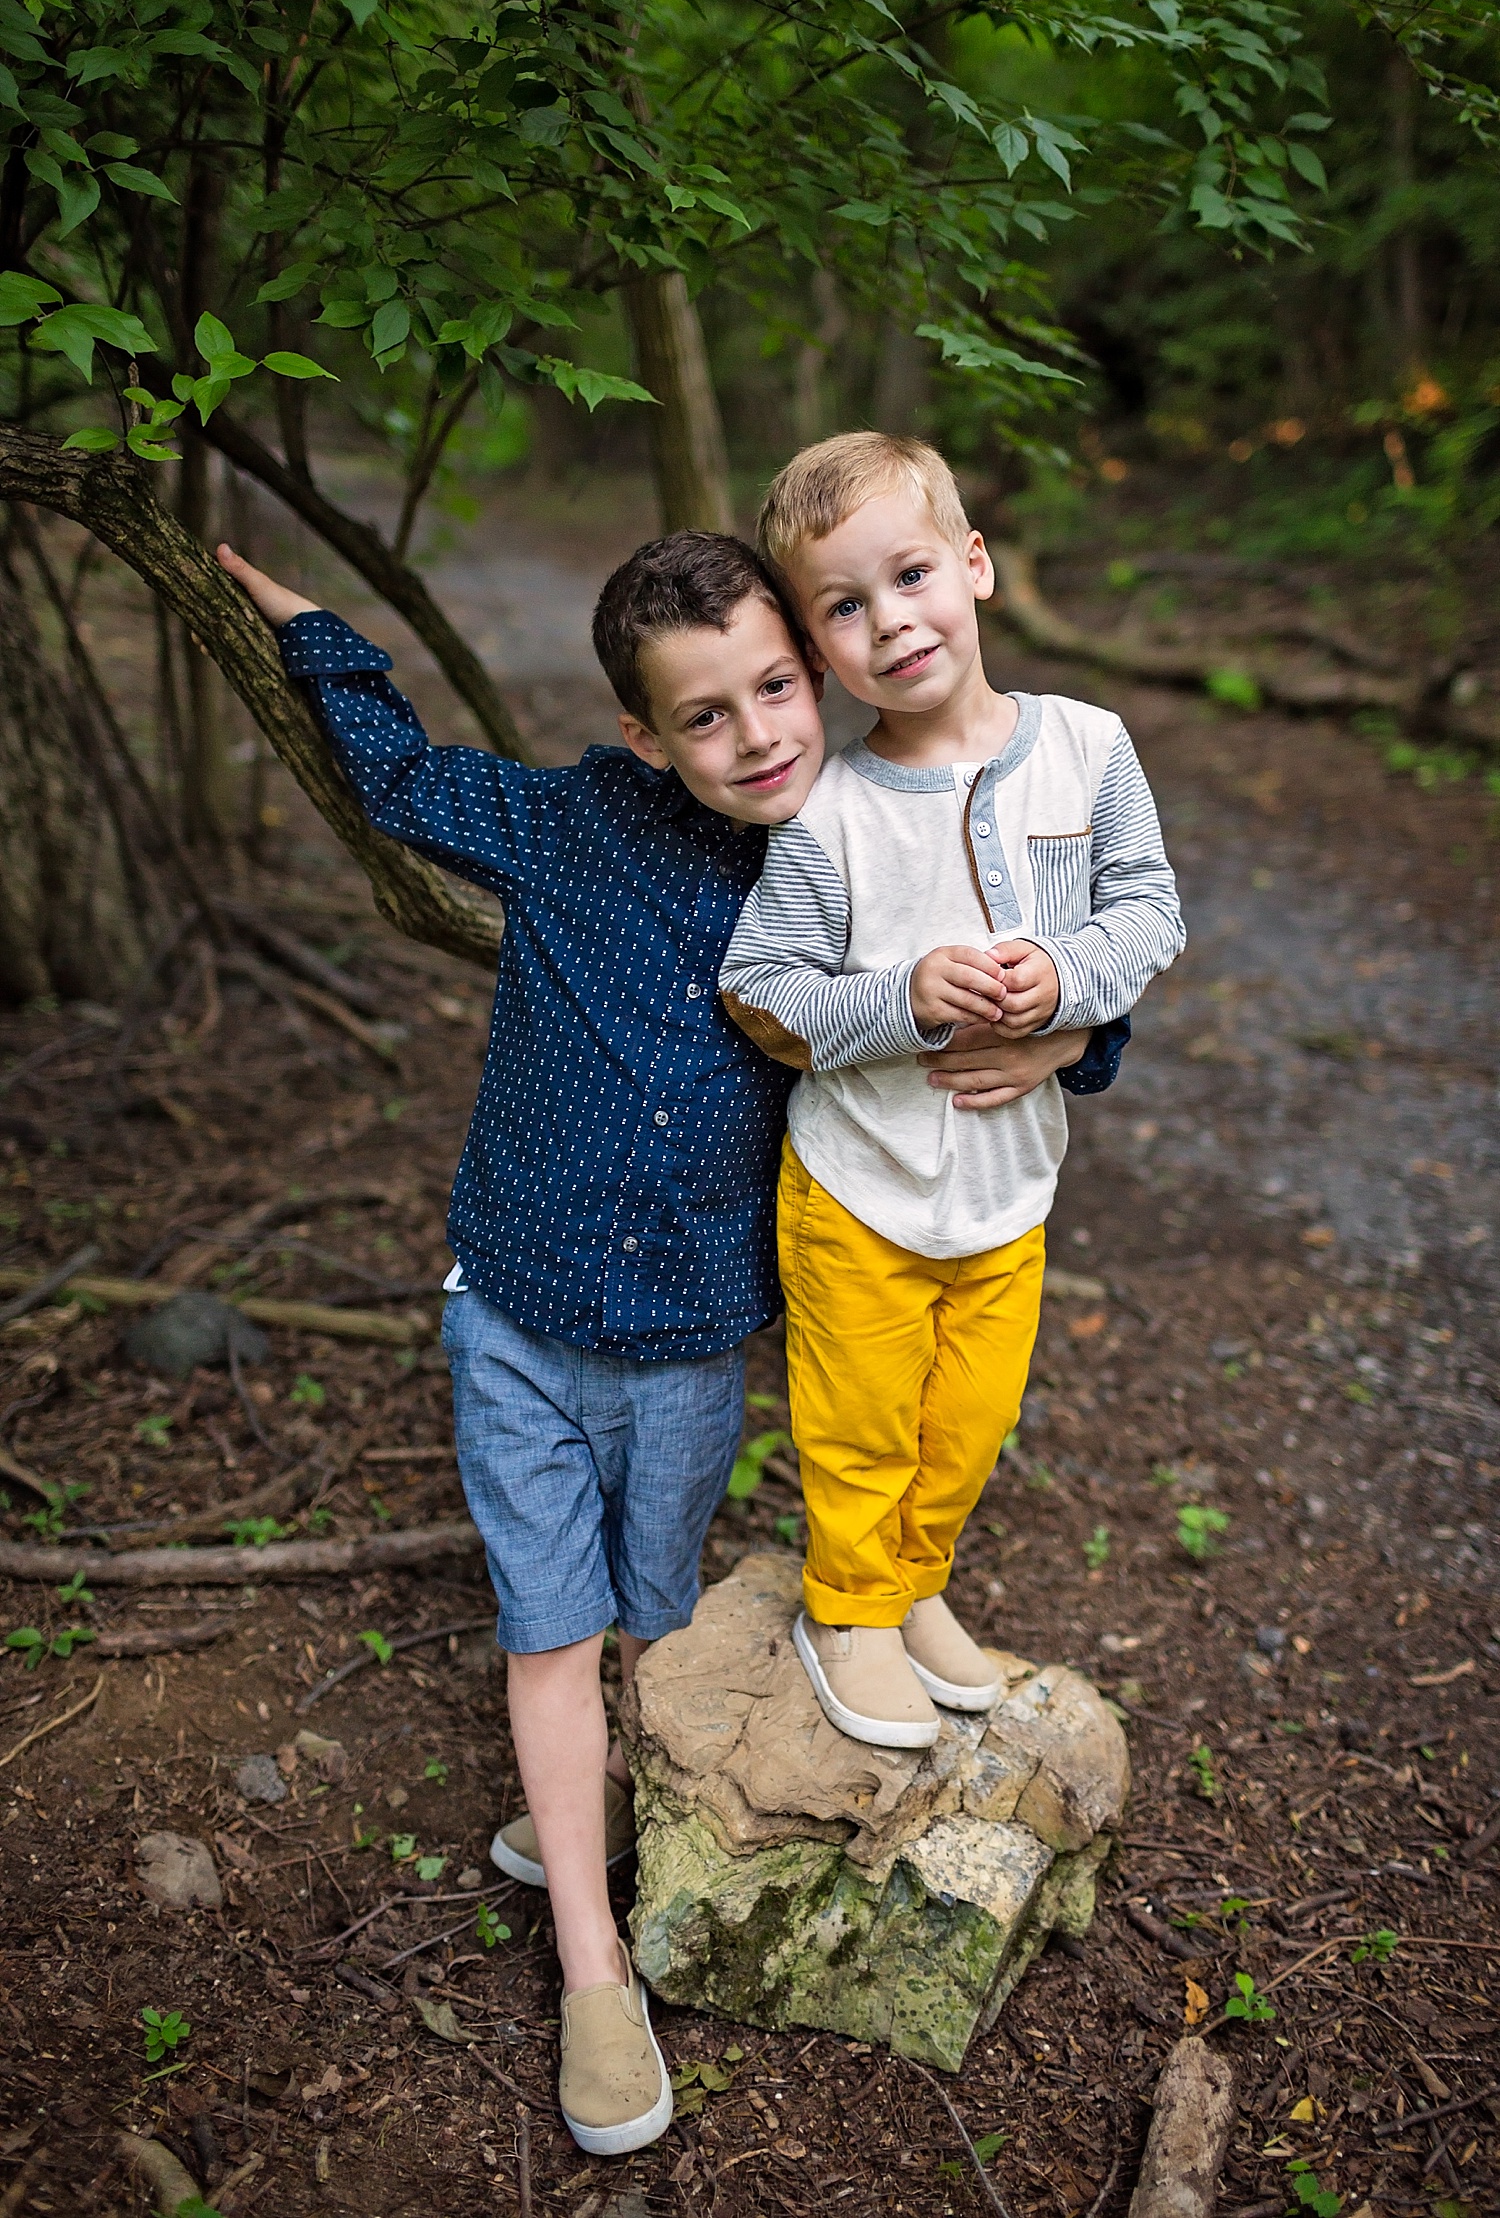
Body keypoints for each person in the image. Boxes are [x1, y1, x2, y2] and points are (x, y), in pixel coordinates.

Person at [217, 529, 1105, 2154]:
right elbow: (403, 776)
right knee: (550, 1622)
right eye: (707, 714)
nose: (758, 733)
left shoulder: (852, 847)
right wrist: (308, 624)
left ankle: (604, 1806)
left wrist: (1070, 1028)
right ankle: (592, 1960)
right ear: (646, 734)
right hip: (516, 1312)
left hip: (697, 1338)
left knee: (649, 1609)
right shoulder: (570, 826)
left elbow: (1026, 972)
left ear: (820, 672)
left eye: (778, 686)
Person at [719, 432, 1185, 1750]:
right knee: (860, 1421)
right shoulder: (830, 811)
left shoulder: (1089, 750)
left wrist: (1066, 977)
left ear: (974, 565)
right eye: (845, 607)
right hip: (859, 1183)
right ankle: (847, 1611)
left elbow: (1151, 912)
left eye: (911, 573)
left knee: (968, 1420)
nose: (891, 621)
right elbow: (764, 986)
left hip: (1007, 1185)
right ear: (818, 648)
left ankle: (913, 1583)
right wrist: (903, 997)